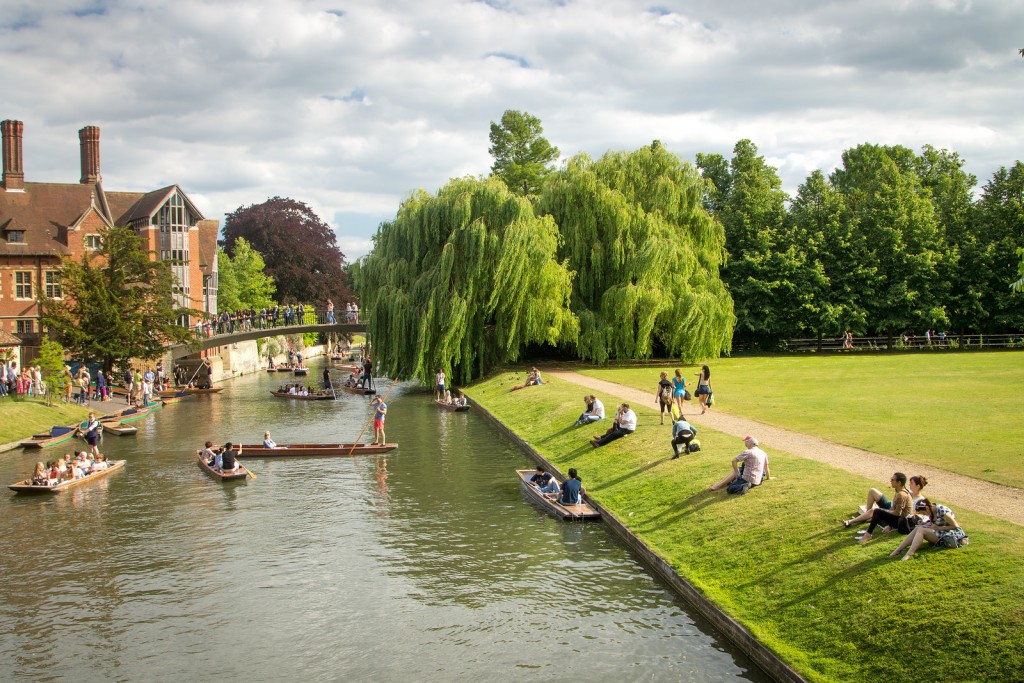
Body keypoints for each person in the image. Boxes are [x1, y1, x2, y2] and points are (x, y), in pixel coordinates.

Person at [888, 499, 967, 560]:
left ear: (926, 508)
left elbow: (956, 526)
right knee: (918, 527)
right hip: (940, 533)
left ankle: (910, 553)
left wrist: (939, 528)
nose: (923, 515)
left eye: (923, 513)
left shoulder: (942, 511)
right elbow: (935, 523)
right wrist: (924, 523)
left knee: (921, 530)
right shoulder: (931, 510)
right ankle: (898, 550)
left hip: (949, 536)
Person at [844, 475, 928, 528]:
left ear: (918, 486)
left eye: (911, 483)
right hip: (891, 506)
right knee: (872, 491)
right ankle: (867, 515)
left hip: (895, 513)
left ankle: (851, 521)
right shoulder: (907, 491)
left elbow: (912, 516)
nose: (909, 485)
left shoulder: (920, 500)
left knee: (875, 510)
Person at [857, 473, 916, 543]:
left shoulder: (901, 494)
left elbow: (898, 513)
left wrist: (883, 511)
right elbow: (893, 508)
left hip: (903, 523)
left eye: (892, 480)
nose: (890, 481)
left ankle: (868, 535)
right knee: (878, 511)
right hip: (900, 519)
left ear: (899, 482)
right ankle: (867, 531)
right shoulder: (899, 491)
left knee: (877, 511)